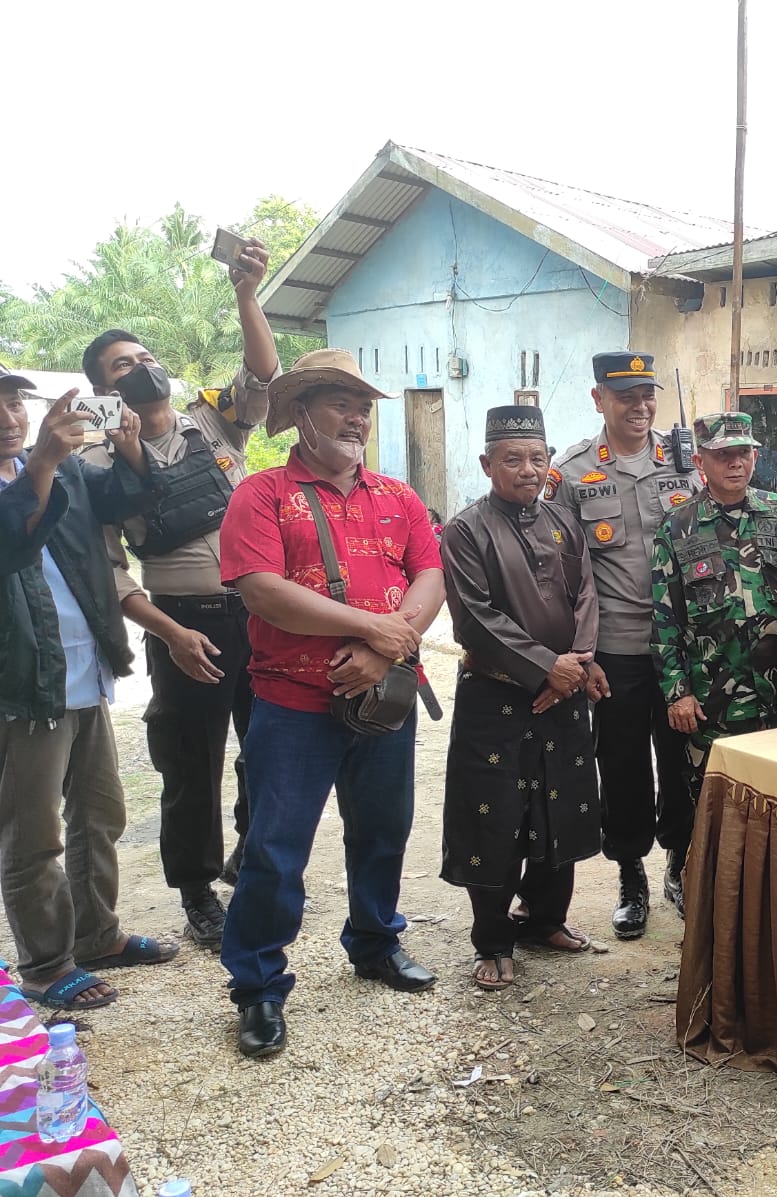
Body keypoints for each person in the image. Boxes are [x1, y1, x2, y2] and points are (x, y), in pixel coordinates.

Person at [217, 348, 445, 1059]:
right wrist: (366, 625)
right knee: (277, 848)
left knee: (383, 830)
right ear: (300, 413)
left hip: (384, 696)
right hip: (291, 703)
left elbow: (430, 573)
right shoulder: (260, 493)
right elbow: (260, 588)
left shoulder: (397, 495)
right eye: (341, 403)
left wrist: (386, 645)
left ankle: (375, 942)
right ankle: (257, 986)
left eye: (363, 406)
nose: (356, 417)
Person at [79, 237, 279, 945]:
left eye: (143, 356)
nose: (140, 368)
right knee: (191, 764)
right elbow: (110, 571)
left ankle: (250, 854)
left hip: (259, 614)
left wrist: (245, 293)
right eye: (121, 366)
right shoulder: (98, 466)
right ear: (106, 392)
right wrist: (169, 633)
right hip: (183, 626)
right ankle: (197, 893)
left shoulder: (211, 421)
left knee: (275, 747)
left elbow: (263, 373)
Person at [0, 369, 180, 1011]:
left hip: (85, 673)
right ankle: (46, 966)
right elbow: (13, 541)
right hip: (22, 686)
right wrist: (44, 462)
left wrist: (132, 445)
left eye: (15, 399)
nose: (10, 414)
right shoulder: (38, 469)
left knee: (100, 813)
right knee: (32, 834)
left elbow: (122, 500)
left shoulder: (61, 467)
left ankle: (97, 935)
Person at [440, 405, 601, 989]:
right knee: (497, 816)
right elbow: (475, 620)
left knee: (560, 805)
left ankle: (546, 920)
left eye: (537, 457)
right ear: (488, 464)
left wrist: (578, 663)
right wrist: (544, 669)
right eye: (512, 459)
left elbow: (587, 593)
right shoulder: (464, 530)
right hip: (497, 695)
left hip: (565, 692)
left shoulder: (564, 521)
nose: (527, 469)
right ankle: (493, 940)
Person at [547, 352, 696, 938]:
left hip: (683, 648)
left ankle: (679, 865)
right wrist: (581, 656)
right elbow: (559, 572)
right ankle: (631, 874)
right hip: (616, 650)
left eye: (646, 395)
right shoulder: (572, 471)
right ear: (598, 399)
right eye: (625, 396)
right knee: (624, 764)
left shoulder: (687, 461)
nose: (639, 407)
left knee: (684, 761)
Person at [650, 412, 777, 884]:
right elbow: (663, 618)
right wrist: (677, 691)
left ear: (755, 456)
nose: (735, 464)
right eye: (722, 455)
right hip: (714, 702)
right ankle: (711, 910)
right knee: (716, 812)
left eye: (743, 453)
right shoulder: (677, 527)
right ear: (701, 461)